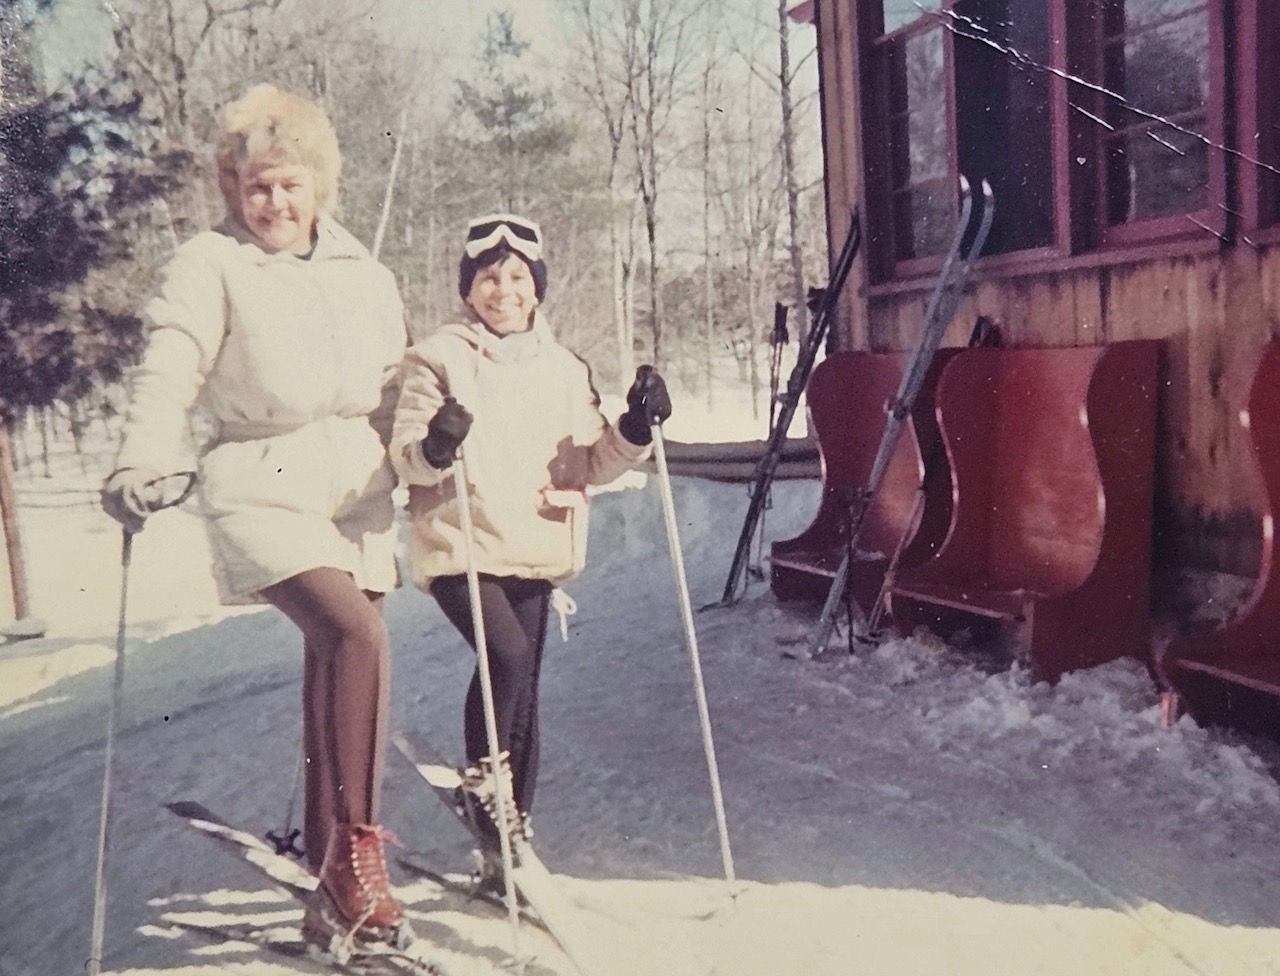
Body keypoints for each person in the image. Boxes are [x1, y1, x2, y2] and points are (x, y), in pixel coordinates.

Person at [100, 84, 414, 954]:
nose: (274, 203)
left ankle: (328, 879)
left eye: (289, 184)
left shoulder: (366, 275)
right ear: (233, 189)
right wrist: (140, 456)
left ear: (321, 185)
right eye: (256, 187)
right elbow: (171, 362)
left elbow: (399, 392)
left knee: (336, 662)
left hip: (357, 489)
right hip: (259, 478)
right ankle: (356, 865)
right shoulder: (210, 264)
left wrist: (433, 445)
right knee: (355, 636)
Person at [389, 213, 671, 867]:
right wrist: (435, 445)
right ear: (468, 289)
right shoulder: (437, 359)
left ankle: (509, 839)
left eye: (518, 277)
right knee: (508, 656)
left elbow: (592, 462)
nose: (504, 291)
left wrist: (635, 426)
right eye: (489, 278)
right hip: (462, 542)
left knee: (524, 693)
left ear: (537, 287)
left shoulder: (565, 369)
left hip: (535, 543)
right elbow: (406, 457)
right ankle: (486, 790)